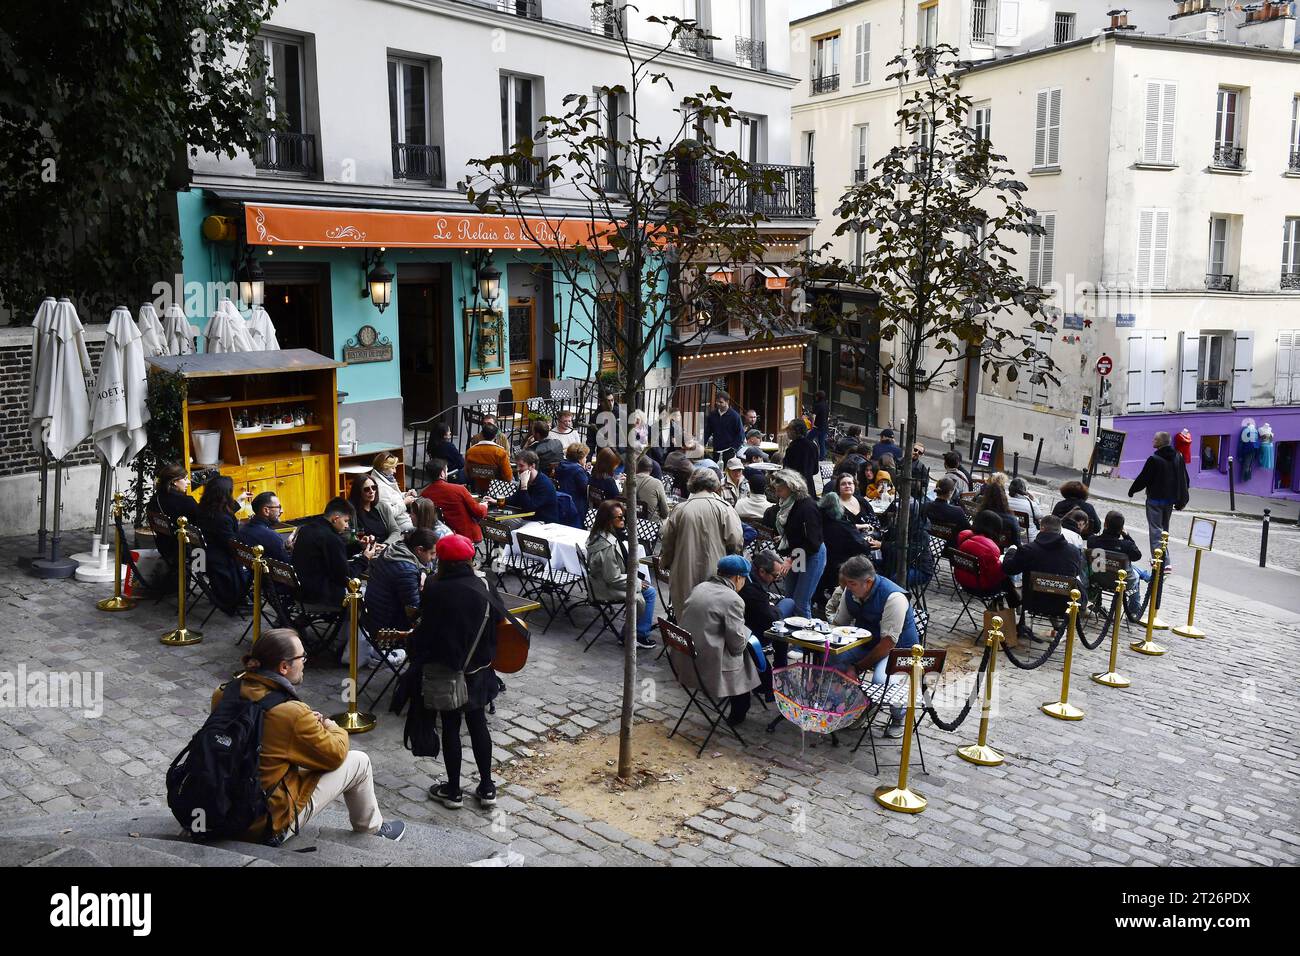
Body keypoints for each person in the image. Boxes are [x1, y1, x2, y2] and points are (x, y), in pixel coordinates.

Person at [211, 628, 404, 843]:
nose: (305, 662)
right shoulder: (291, 713)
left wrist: (302, 727)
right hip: (263, 823)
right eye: (302, 657)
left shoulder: (223, 692)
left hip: (221, 805)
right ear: (284, 667)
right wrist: (331, 726)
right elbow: (335, 755)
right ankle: (372, 831)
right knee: (360, 762)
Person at [413, 534, 502, 810]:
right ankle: (487, 787)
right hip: (479, 668)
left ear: (442, 561)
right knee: (478, 724)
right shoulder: (485, 584)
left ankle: (454, 791)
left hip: (447, 668)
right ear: (468, 559)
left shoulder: (435, 587)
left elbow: (428, 629)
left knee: (451, 726)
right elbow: (497, 619)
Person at [831, 556, 921, 737]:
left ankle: (898, 716)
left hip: (899, 649)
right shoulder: (851, 592)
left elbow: (888, 644)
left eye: (851, 583)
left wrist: (856, 668)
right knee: (833, 658)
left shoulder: (894, 598)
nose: (847, 588)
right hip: (868, 642)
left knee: (881, 681)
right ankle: (857, 705)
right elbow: (839, 625)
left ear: (868, 582)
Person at [676, 555, 763, 727]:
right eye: (744, 579)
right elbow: (737, 647)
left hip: (685, 658)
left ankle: (762, 692)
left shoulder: (700, 587)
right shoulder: (733, 599)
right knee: (748, 654)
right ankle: (738, 712)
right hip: (708, 665)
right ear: (738, 577)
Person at [659, 468, 744, 614]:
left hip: (683, 571)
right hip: (716, 572)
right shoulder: (725, 508)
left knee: (685, 615)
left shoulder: (680, 509)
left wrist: (665, 563)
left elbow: (667, 541)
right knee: (711, 616)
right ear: (715, 485)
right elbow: (736, 541)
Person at [584, 499, 657, 649]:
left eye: (623, 516)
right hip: (603, 588)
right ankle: (638, 636)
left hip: (598, 582)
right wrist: (636, 582)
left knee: (646, 587)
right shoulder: (608, 545)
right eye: (619, 517)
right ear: (608, 520)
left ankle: (629, 633)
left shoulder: (598, 534)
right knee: (649, 592)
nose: (623, 519)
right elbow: (613, 578)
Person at [292, 497, 377, 609]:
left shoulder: (307, 529)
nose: (347, 526)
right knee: (374, 596)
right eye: (346, 521)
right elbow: (347, 577)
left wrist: (358, 546)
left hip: (300, 593)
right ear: (335, 519)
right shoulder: (331, 538)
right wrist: (365, 558)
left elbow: (332, 555)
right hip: (320, 597)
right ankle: (348, 626)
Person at [768, 469, 827, 619]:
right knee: (790, 599)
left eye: (780, 490)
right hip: (797, 553)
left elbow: (812, 542)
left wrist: (791, 559)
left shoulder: (807, 507)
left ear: (791, 487)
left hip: (811, 554)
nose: (778, 494)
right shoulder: (789, 504)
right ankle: (791, 634)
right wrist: (785, 539)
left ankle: (803, 640)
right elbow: (796, 531)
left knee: (801, 602)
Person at [1127, 430, 1189, 572]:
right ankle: (1163, 559)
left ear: (1161, 442)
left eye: (1155, 439)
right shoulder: (1178, 457)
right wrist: (1182, 498)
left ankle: (1161, 560)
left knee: (1155, 530)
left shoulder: (1154, 459)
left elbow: (1144, 478)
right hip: (1169, 501)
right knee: (1164, 530)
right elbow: (1184, 479)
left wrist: (1132, 490)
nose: (1153, 441)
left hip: (1155, 500)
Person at [365, 527, 436, 635]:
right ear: (419, 550)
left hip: (374, 615)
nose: (434, 557)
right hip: (388, 627)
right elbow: (414, 611)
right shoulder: (406, 572)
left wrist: (423, 572)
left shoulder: (396, 549)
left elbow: (421, 565)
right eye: (432, 553)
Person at [194, 475, 249, 612]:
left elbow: (220, 515)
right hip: (220, 559)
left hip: (201, 556)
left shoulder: (203, 508)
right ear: (225, 495)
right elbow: (232, 544)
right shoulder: (222, 519)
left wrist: (237, 502)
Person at [741, 549, 794, 676]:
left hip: (749, 623)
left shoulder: (748, 577)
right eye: (775, 576)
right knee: (782, 622)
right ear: (762, 571)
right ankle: (781, 669)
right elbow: (771, 618)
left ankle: (781, 668)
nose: (776, 579)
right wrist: (771, 607)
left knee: (785, 608)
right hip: (753, 633)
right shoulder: (752, 589)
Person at [818, 490, 878, 599]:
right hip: (842, 566)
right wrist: (867, 541)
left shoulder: (819, 522)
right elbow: (861, 546)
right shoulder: (842, 525)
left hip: (825, 566)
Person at [1002, 514, 1084, 589]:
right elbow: (1076, 572)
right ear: (1059, 531)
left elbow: (1009, 569)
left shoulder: (1028, 550)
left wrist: (1011, 551)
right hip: (1064, 602)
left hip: (1032, 600)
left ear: (1042, 528)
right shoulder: (1074, 551)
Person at [420, 457, 488, 542]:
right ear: (442, 474)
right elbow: (479, 512)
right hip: (466, 536)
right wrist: (484, 505)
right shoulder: (459, 489)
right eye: (447, 470)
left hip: (441, 537)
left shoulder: (424, 494)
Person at [954, 510, 1013, 605]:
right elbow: (995, 576)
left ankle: (1012, 605)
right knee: (1007, 577)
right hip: (980, 587)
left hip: (962, 581)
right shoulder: (990, 548)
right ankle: (1013, 606)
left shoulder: (964, 536)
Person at [149, 463, 200, 566]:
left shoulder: (156, 498)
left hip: (164, 547)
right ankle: (201, 578)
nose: (188, 482)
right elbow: (202, 522)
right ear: (175, 482)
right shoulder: (186, 502)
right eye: (185, 479)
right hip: (187, 552)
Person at [496, 450, 557, 523]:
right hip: (528, 517)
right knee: (501, 522)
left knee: (506, 523)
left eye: (521, 466)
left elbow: (529, 508)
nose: (518, 469)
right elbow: (516, 498)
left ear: (532, 466)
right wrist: (497, 501)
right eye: (517, 465)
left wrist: (524, 486)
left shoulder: (544, 484)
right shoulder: (526, 478)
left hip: (543, 521)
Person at [348, 474, 402, 545]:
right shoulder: (351, 512)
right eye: (366, 489)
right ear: (358, 492)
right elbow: (349, 538)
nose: (372, 491)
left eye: (374, 487)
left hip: (387, 548)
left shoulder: (382, 506)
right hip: (367, 551)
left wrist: (385, 544)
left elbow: (395, 530)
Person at [237, 491, 290, 564]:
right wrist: (293, 548)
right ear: (266, 511)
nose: (282, 511)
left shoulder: (242, 529)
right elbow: (287, 565)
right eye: (279, 507)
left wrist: (285, 547)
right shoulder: (272, 537)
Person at [368, 453, 415, 533]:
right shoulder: (381, 487)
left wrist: (405, 495)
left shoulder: (387, 479)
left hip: (403, 519)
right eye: (392, 468)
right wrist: (404, 502)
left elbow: (393, 497)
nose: (395, 471)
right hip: (400, 524)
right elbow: (388, 513)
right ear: (384, 468)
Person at [465, 422, 513, 493]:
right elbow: (508, 478)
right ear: (495, 436)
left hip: (477, 490)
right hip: (497, 491)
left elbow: (467, 473)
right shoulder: (500, 452)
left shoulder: (470, 451)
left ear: (481, 435)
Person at [974, 480, 1021, 547]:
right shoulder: (1011, 519)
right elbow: (1017, 543)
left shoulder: (980, 514)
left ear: (986, 497)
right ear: (1004, 498)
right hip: (1000, 551)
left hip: (979, 547)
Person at [782, 418, 820, 497]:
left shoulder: (792, 448)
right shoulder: (813, 446)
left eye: (789, 429)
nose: (787, 431)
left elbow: (786, 470)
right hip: (810, 487)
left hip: (795, 488)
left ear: (795, 431)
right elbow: (815, 470)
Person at [703, 392, 745, 462]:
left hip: (729, 452)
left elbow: (741, 435)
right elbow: (707, 432)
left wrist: (734, 448)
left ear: (727, 402)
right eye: (717, 401)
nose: (718, 403)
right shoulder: (712, 415)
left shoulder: (735, 416)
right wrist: (701, 444)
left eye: (720, 402)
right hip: (716, 450)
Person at [1006, 477, 1041, 542]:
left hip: (1009, 536)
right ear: (1024, 490)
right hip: (1028, 537)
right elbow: (1040, 516)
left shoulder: (1005, 502)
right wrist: (1034, 500)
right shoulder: (1031, 504)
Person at [635, 454, 669, 519]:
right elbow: (665, 513)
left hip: (629, 522)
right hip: (650, 526)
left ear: (636, 467)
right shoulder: (657, 483)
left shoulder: (627, 481)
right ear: (651, 469)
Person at [810, 390, 830, 459]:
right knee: (822, 443)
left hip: (818, 427)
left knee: (807, 439)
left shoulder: (818, 405)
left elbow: (813, 416)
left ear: (818, 397)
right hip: (825, 426)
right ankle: (822, 457)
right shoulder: (826, 405)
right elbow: (827, 416)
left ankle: (808, 453)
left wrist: (812, 425)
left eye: (816, 396)